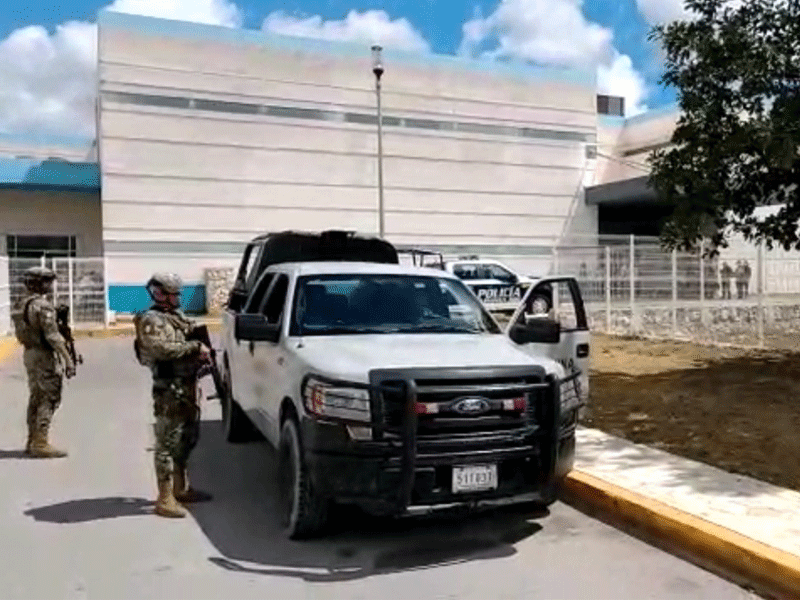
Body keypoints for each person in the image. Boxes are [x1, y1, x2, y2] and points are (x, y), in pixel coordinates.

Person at [134, 272, 213, 518]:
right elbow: (159, 348)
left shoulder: (174, 317)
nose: (179, 298)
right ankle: (165, 497)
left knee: (187, 437)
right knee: (167, 442)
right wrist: (193, 347)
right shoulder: (151, 320)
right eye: (174, 294)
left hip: (187, 385)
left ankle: (181, 487)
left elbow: (189, 331)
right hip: (168, 388)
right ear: (160, 295)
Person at [11, 266, 76, 458]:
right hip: (43, 355)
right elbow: (53, 336)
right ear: (38, 283)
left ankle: (33, 439)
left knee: (36, 397)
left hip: (29, 353)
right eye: (47, 281)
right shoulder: (43, 306)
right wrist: (68, 359)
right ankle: (40, 442)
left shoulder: (20, 303)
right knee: (49, 397)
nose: (50, 285)